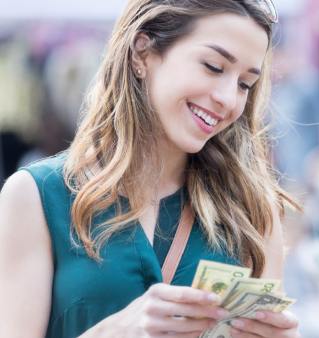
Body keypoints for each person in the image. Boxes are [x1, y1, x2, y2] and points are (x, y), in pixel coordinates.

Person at [0, 1, 301, 337]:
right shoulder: (36, 196)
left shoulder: (252, 212)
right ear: (141, 53)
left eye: (245, 84)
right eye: (214, 67)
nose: (229, 100)